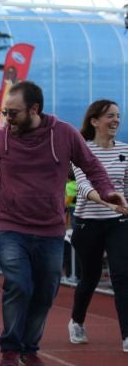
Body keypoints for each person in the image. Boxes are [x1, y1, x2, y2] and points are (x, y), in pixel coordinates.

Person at [0, 81, 125, 366]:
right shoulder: (1, 138)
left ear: (35, 109)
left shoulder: (64, 134)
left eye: (13, 113)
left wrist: (108, 191)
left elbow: (92, 165)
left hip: (50, 230)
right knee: (18, 283)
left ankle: (29, 347)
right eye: (6, 112)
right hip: (11, 226)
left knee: (46, 290)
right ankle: (9, 349)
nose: (8, 118)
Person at [67, 100, 128, 351]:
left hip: (119, 222)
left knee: (122, 276)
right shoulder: (82, 151)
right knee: (89, 278)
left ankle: (126, 335)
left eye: (118, 116)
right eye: (110, 116)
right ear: (94, 121)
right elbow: (83, 186)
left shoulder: (125, 150)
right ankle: (77, 321)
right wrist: (107, 201)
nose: (116, 120)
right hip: (87, 223)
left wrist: (120, 207)